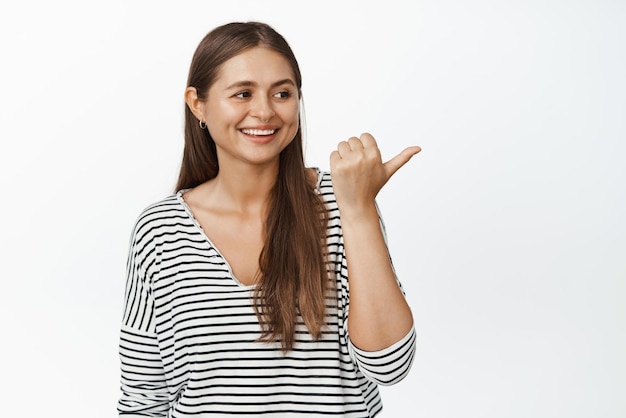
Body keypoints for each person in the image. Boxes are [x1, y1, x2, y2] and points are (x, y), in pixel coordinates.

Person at [118, 21, 420, 417]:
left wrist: (359, 210)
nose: (264, 111)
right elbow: (144, 399)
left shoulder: (343, 201)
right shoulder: (160, 231)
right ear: (198, 104)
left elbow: (390, 365)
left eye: (282, 93)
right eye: (242, 93)